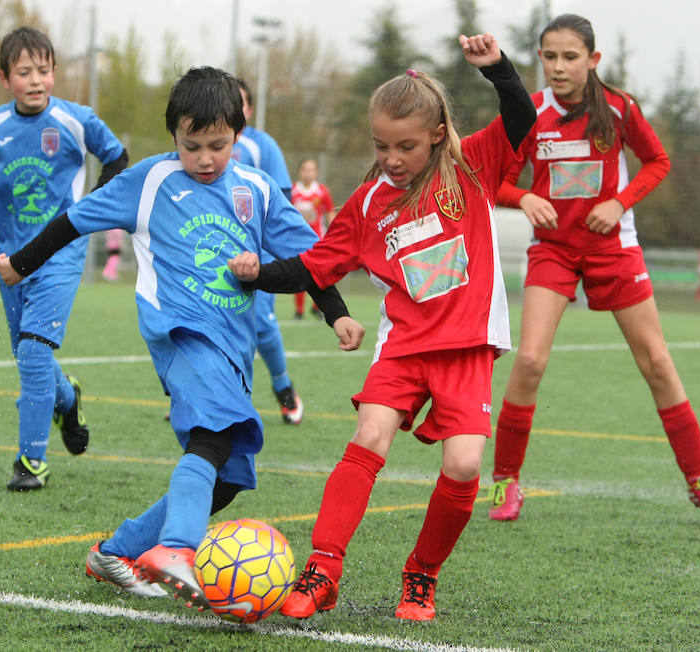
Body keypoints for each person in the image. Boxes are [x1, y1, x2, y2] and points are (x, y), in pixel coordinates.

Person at [0, 66, 364, 604]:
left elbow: (308, 260)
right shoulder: (150, 180)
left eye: (218, 145)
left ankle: (115, 552)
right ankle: (176, 548)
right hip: (181, 333)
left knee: (229, 474)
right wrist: (21, 266)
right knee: (212, 439)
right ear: (175, 138)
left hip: (232, 349)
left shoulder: (257, 190)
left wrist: (337, 313)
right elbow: (74, 220)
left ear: (240, 135)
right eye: (193, 147)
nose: (206, 158)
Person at [229, 33, 536, 621]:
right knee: (369, 436)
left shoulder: (471, 165)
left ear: (438, 135)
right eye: (380, 145)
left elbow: (521, 116)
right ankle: (323, 569)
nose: (392, 158)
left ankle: (421, 575)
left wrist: (497, 68)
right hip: (403, 347)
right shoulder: (370, 200)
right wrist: (256, 273)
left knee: (464, 465)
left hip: (466, 347)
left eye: (406, 146)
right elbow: (314, 267)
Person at [486, 14, 700, 527]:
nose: (559, 67)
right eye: (550, 57)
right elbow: (498, 183)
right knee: (530, 360)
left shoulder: (620, 109)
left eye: (570, 57)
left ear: (593, 60)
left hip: (612, 248)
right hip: (553, 250)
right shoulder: (529, 112)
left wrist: (620, 202)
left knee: (657, 361)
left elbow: (658, 161)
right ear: (540, 59)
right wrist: (526, 197)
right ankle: (505, 481)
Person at [0, 26, 128, 491]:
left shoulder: (76, 119)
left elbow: (118, 158)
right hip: (10, 261)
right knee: (29, 353)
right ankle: (68, 399)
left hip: (61, 254)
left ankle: (31, 463)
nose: (35, 80)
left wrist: (92, 208)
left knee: (32, 349)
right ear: (5, 78)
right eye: (24, 72)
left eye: (43, 70)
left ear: (55, 73)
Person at [233, 78, 304, 425]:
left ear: (248, 109)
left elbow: (282, 206)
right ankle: (201, 395)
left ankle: (283, 387)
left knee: (260, 325)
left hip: (259, 253)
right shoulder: (200, 148)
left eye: (241, 103)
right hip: (214, 255)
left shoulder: (262, 147)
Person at [291, 157, 336, 319]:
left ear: (316, 172)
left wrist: (334, 230)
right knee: (299, 273)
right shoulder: (293, 191)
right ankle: (299, 311)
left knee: (320, 272)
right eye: (305, 169)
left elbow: (330, 211)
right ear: (300, 172)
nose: (308, 173)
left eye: (311, 170)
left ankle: (317, 307)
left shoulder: (321, 191)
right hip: (297, 239)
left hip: (317, 239)